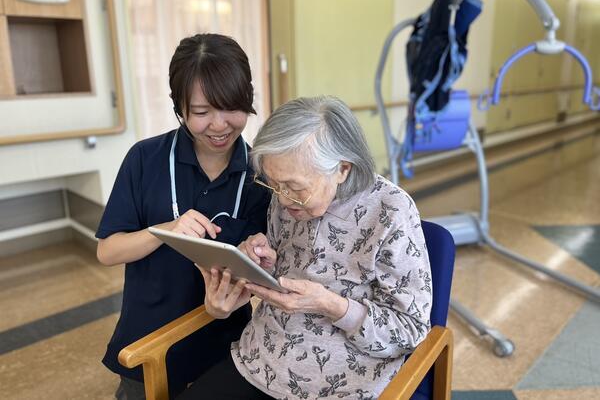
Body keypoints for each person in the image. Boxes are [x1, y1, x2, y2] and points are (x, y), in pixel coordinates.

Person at [180, 96, 432, 400]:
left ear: (342, 169)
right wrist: (262, 262)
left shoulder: (391, 211)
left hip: (342, 385)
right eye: (274, 184)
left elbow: (410, 330)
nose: (284, 200)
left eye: (295, 188)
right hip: (261, 361)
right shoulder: (284, 198)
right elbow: (286, 266)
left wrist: (331, 304)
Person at [96, 33, 270, 399]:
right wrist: (164, 230)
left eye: (231, 108)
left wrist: (256, 255)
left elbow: (260, 267)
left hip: (228, 349)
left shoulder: (260, 176)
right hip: (148, 344)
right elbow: (108, 251)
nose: (220, 125)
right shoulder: (145, 159)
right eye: (203, 112)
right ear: (180, 109)